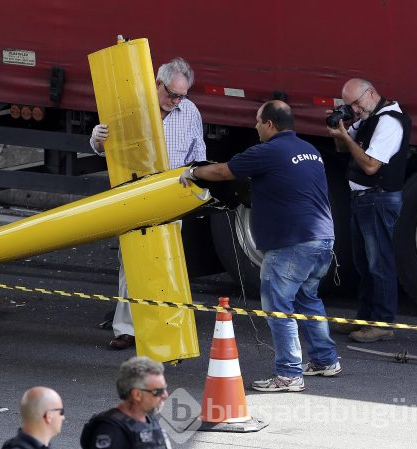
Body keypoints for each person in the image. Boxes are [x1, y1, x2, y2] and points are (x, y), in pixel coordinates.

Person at [179, 100, 341, 392]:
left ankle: (289, 373)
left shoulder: (268, 152)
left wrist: (192, 173)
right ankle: (325, 360)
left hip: (291, 243)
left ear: (269, 124)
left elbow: (222, 172)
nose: (254, 126)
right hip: (323, 239)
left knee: (279, 306)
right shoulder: (311, 152)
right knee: (308, 299)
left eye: (257, 121)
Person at [90, 57, 206, 350]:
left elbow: (199, 152)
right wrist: (96, 139)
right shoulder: (131, 107)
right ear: (157, 84)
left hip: (170, 197)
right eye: (172, 94)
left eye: (182, 95)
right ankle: (127, 329)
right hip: (135, 194)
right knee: (130, 263)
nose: (176, 101)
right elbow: (106, 148)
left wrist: (195, 179)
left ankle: (163, 327)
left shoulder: (189, 111)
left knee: (167, 262)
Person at [326, 79, 410, 343]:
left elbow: (371, 166)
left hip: (378, 199)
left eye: (356, 103)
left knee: (379, 263)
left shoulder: (389, 121)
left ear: (371, 93)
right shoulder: (368, 118)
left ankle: (383, 322)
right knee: (363, 262)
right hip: (363, 199)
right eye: (349, 105)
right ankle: (365, 318)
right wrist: (341, 132)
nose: (355, 109)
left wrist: (349, 140)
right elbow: (343, 149)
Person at [80, 356, 171, 449]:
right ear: (137, 395)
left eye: (165, 389)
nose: (165, 395)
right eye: (159, 391)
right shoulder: (111, 431)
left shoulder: (148, 420)